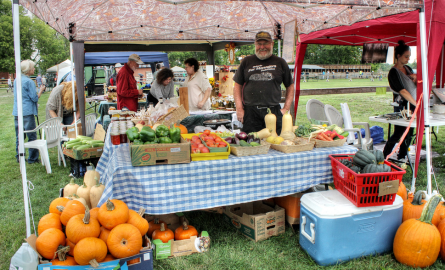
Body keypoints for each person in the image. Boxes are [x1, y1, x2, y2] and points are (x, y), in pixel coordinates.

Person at [233, 31, 294, 134]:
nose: (262, 47)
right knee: (252, 144)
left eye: (265, 43)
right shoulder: (247, 61)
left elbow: (290, 86)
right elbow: (237, 86)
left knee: (275, 142)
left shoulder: (280, 62)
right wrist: (239, 109)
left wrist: (286, 108)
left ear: (272, 44)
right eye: (259, 44)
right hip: (251, 113)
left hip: (273, 111)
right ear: (255, 45)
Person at [383, 40, 417, 162]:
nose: (408, 59)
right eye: (406, 56)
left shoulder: (408, 69)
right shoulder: (393, 72)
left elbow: (414, 84)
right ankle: (385, 155)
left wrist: (415, 79)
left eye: (409, 57)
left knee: (410, 131)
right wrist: (416, 104)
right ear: (398, 56)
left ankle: (402, 156)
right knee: (399, 132)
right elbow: (402, 91)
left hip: (412, 104)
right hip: (402, 106)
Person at [13, 60, 45, 164]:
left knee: (19, 135)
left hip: (17, 111)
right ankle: (33, 158)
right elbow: (34, 98)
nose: (34, 69)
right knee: (32, 135)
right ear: (28, 70)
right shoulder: (29, 82)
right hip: (27, 111)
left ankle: (19, 156)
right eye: (33, 68)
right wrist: (40, 90)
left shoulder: (16, 80)